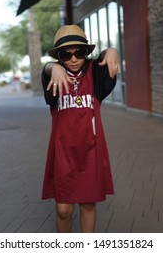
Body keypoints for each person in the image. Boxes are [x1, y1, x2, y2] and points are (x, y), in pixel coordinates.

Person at [41, 24, 120, 233]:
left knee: (87, 204)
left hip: (90, 153)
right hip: (64, 155)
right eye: (66, 55)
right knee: (63, 210)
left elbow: (105, 60)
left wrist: (111, 51)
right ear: (59, 56)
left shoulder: (94, 73)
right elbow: (47, 70)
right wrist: (53, 67)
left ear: (87, 53)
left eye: (80, 52)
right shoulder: (54, 77)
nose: (74, 59)